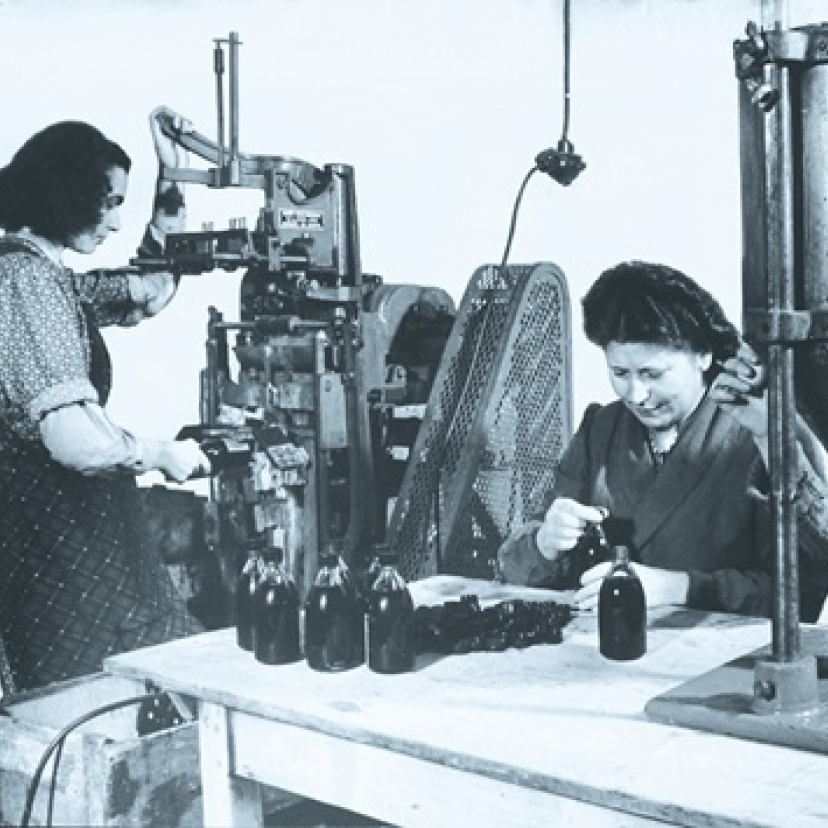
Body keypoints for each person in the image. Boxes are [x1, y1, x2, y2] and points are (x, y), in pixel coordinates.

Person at [0, 109, 211, 694]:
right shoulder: (26, 282)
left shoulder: (48, 276)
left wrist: (173, 173)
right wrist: (163, 454)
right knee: (100, 697)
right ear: (66, 194)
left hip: (72, 538)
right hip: (58, 544)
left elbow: (151, 289)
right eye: (108, 203)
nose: (117, 221)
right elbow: (74, 439)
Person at [497, 260, 828, 620]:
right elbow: (515, 571)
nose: (636, 395)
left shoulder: (754, 433)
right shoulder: (601, 429)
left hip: (717, 649)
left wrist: (679, 587)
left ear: (704, 355)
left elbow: (803, 592)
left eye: (652, 374)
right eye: (620, 373)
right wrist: (545, 542)